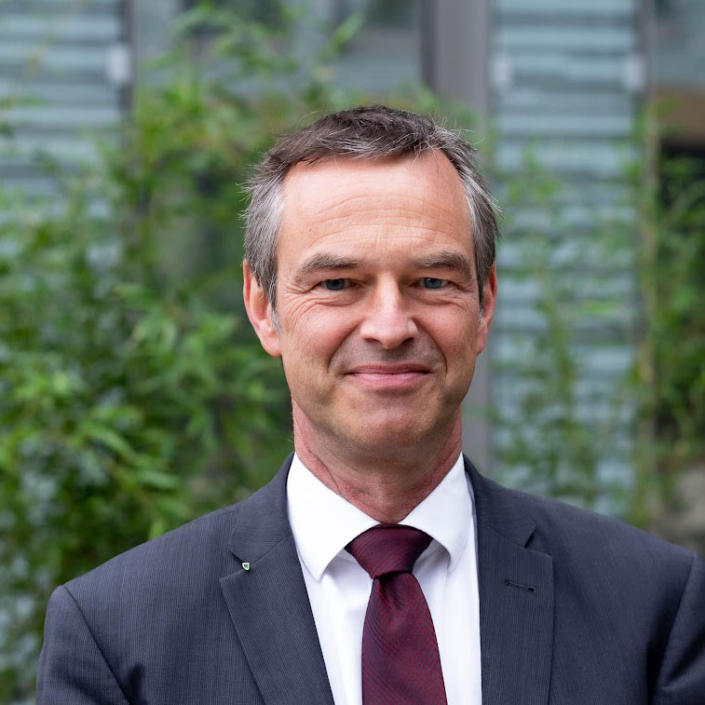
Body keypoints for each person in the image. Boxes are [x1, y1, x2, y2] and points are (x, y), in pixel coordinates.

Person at [37, 106, 704, 704]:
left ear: (484, 303)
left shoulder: (652, 604)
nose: (389, 327)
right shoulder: (118, 634)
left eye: (431, 280)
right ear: (263, 307)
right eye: (338, 283)